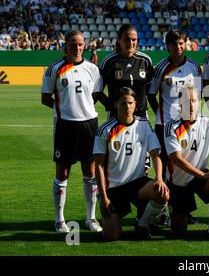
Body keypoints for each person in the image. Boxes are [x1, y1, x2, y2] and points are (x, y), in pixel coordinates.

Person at [41, 30, 103, 233]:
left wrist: (81, 108)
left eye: (80, 44)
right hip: (65, 126)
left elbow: (94, 95)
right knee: (63, 173)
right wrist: (65, 109)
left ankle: (91, 218)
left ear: (84, 46)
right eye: (73, 44)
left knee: (90, 173)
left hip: (89, 125)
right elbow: (45, 98)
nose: (77, 48)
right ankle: (59, 219)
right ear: (65, 46)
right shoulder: (54, 69)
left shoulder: (92, 69)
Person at [93, 87, 170, 241]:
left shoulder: (144, 125)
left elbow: (156, 155)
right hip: (113, 188)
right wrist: (103, 196)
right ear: (115, 104)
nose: (127, 107)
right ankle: (117, 216)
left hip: (138, 184)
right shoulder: (105, 129)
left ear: (135, 104)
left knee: (163, 193)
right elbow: (98, 166)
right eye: (123, 103)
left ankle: (142, 224)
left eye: (130, 103)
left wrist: (159, 179)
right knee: (111, 237)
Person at [148, 30, 202, 224]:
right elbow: (151, 95)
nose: (178, 47)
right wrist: (161, 116)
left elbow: (197, 95)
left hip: (187, 127)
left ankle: (183, 211)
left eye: (181, 43)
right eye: (174, 44)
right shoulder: (161, 68)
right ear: (167, 46)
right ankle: (161, 211)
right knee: (162, 172)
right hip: (164, 127)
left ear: (185, 43)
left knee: (184, 169)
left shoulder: (195, 67)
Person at [164, 86, 209, 241]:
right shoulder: (171, 126)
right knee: (179, 231)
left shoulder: (206, 123)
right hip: (178, 183)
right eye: (186, 101)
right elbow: (177, 159)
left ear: (198, 103)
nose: (190, 105)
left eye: (193, 100)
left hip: (200, 177)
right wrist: (204, 175)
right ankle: (176, 214)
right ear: (179, 103)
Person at [98, 24, 154, 119]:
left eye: (134, 40)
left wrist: (139, 103)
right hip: (116, 116)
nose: (131, 43)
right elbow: (98, 90)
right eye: (127, 39)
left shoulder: (145, 60)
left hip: (141, 115)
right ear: (119, 40)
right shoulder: (109, 62)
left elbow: (149, 88)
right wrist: (111, 105)